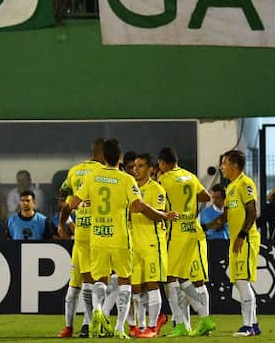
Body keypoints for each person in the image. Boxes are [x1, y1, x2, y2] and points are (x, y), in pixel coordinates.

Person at [60, 139, 176, 339]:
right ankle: (120, 328)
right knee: (125, 282)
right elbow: (139, 206)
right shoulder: (126, 180)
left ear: (103, 157)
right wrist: (163, 215)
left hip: (98, 238)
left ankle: (97, 309)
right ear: (120, 158)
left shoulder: (92, 177)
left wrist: (75, 212)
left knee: (99, 280)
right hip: (121, 238)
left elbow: (72, 203)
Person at [157, 147, 215, 337]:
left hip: (176, 234)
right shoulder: (190, 176)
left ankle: (182, 324)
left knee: (170, 278)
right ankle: (203, 319)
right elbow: (206, 197)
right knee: (189, 279)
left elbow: (159, 205)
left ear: (162, 163)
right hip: (194, 231)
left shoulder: (164, 180)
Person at [56, 138, 106, 339]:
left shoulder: (75, 170)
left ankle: (68, 327)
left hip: (80, 235)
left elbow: (64, 196)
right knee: (92, 283)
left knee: (74, 286)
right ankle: (88, 324)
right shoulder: (104, 174)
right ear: (104, 154)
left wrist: (63, 225)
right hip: (98, 235)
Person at [219, 149, 261, 337]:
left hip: (245, 239)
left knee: (242, 282)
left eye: (224, 163)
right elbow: (225, 217)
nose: (221, 167)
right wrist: (203, 226)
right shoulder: (230, 187)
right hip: (235, 241)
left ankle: (248, 327)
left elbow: (253, 212)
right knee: (238, 282)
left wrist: (242, 235)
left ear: (234, 166)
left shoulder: (245, 183)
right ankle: (254, 323)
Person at [128, 153, 170, 338]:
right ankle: (142, 326)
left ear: (151, 169)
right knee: (135, 288)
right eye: (135, 166)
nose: (136, 169)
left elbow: (160, 215)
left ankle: (153, 327)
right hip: (133, 245)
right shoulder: (130, 188)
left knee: (152, 285)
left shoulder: (157, 189)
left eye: (141, 166)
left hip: (152, 243)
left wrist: (142, 207)